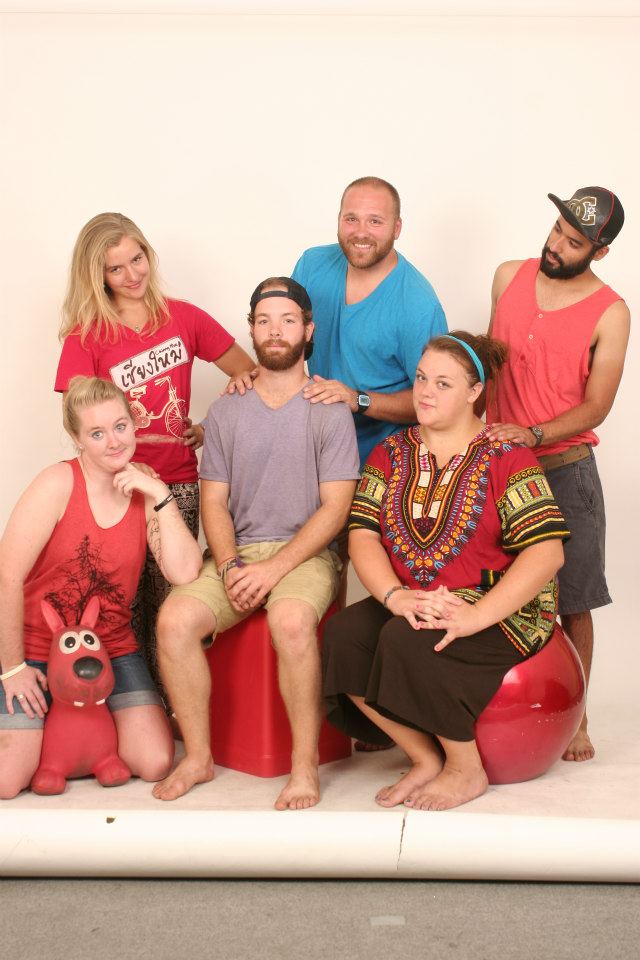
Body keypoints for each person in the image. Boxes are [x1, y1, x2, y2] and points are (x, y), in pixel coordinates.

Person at [323, 332, 569, 811]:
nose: (425, 392)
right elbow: (363, 535)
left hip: (502, 607)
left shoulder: (506, 456)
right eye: (420, 379)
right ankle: (424, 758)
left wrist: (475, 617)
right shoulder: (391, 453)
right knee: (344, 635)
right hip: (418, 597)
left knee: (407, 639)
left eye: (443, 383)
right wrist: (395, 596)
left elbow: (547, 554)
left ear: (475, 392)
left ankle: (465, 768)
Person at [153, 277, 360, 810]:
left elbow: (335, 509)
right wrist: (228, 566)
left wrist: (273, 570)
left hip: (306, 555)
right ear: (251, 329)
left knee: (289, 622)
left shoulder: (329, 408)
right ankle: (198, 757)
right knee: (174, 621)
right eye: (264, 321)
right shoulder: (227, 410)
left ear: (308, 330)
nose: (275, 331)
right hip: (239, 552)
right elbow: (214, 502)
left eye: (288, 320)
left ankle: (303, 767)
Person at [54, 212, 254, 695]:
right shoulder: (86, 336)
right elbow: (78, 418)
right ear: (97, 276)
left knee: (174, 603)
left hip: (176, 485)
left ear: (148, 254)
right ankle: (131, 703)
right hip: (115, 489)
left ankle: (174, 707)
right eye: (115, 268)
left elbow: (249, 374)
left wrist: (208, 428)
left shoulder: (184, 317)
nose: (131, 275)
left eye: (137, 259)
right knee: (120, 604)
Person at [0, 376, 203, 799]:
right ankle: (52, 723)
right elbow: (7, 576)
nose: (114, 441)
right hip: (37, 648)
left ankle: (78, 723)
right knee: (6, 779)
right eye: (97, 433)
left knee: (154, 761)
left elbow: (184, 572)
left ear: (133, 424)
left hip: (109, 647)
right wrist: (13, 668)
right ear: (77, 439)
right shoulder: (56, 484)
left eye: (120, 426)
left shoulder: (143, 487)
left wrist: (160, 493)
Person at [485, 186, 629, 763]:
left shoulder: (612, 312)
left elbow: (598, 406)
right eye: (556, 230)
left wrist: (535, 433)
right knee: (489, 586)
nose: (556, 245)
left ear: (599, 252)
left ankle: (578, 715)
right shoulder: (507, 276)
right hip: (499, 466)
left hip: (565, 469)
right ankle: (492, 703)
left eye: (573, 242)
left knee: (573, 600)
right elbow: (490, 369)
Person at [291, 175, 448, 467]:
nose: (361, 232)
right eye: (351, 219)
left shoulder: (419, 305)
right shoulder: (312, 265)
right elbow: (287, 343)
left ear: (397, 228)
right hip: (315, 449)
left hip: (385, 463)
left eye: (375, 221)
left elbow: (437, 401)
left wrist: (358, 399)